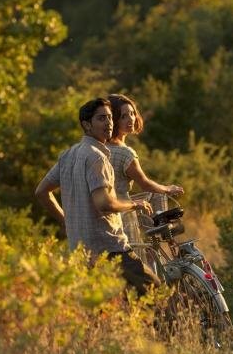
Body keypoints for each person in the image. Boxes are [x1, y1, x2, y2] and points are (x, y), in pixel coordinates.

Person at [34, 97, 159, 295]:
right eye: (101, 119)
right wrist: (135, 204)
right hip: (109, 249)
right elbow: (104, 204)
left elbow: (42, 192)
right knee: (156, 292)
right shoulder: (96, 157)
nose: (109, 123)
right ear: (86, 125)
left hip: (80, 251)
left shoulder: (68, 155)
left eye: (110, 118)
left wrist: (65, 221)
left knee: (105, 309)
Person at [106, 93, 184, 244]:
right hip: (122, 210)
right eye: (123, 117)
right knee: (159, 191)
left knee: (156, 194)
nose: (130, 119)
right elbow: (144, 183)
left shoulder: (101, 147)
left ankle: (154, 234)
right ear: (114, 121)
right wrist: (168, 189)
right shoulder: (125, 153)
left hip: (108, 206)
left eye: (132, 113)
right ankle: (156, 238)